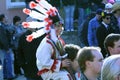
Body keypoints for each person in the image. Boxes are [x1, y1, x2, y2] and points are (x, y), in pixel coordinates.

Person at [22, 0, 73, 80]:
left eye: (60, 25)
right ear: (50, 27)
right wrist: (61, 64)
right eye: (56, 26)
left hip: (56, 70)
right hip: (47, 72)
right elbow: (44, 62)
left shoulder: (58, 40)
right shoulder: (47, 43)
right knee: (65, 77)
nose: (59, 28)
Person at [0, 14, 15, 80]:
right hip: (5, 47)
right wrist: (7, 48)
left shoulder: (3, 26)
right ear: (3, 19)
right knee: (8, 61)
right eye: (6, 17)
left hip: (4, 47)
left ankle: (5, 75)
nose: (7, 18)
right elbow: (3, 39)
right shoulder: (2, 27)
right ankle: (9, 76)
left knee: (5, 61)